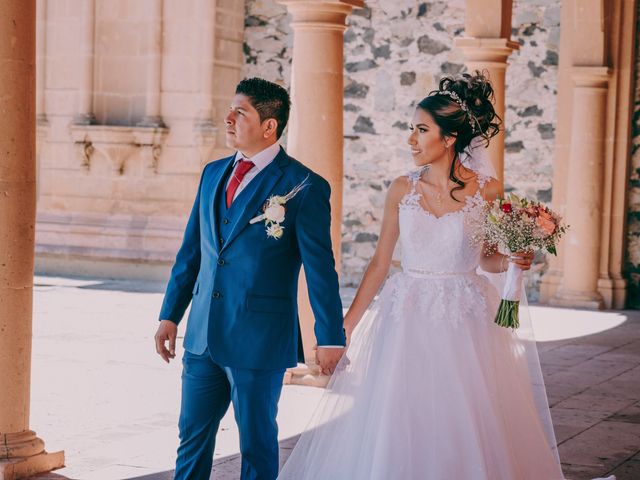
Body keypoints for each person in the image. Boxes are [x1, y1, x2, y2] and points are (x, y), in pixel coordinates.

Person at [278, 72, 614, 480]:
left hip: (465, 316)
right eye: (411, 129)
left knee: (465, 413)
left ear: (449, 138)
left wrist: (513, 260)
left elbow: (487, 260)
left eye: (421, 130)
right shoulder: (402, 188)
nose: (411, 139)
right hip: (406, 316)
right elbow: (380, 264)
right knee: (400, 414)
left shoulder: (487, 191)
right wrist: (342, 330)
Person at [154, 77, 346, 480]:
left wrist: (330, 336)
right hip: (203, 335)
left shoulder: (303, 186)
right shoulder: (212, 174)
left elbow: (320, 268)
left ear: (269, 125)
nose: (228, 118)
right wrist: (170, 314)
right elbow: (192, 252)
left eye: (240, 112)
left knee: (257, 444)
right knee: (190, 438)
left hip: (260, 338)